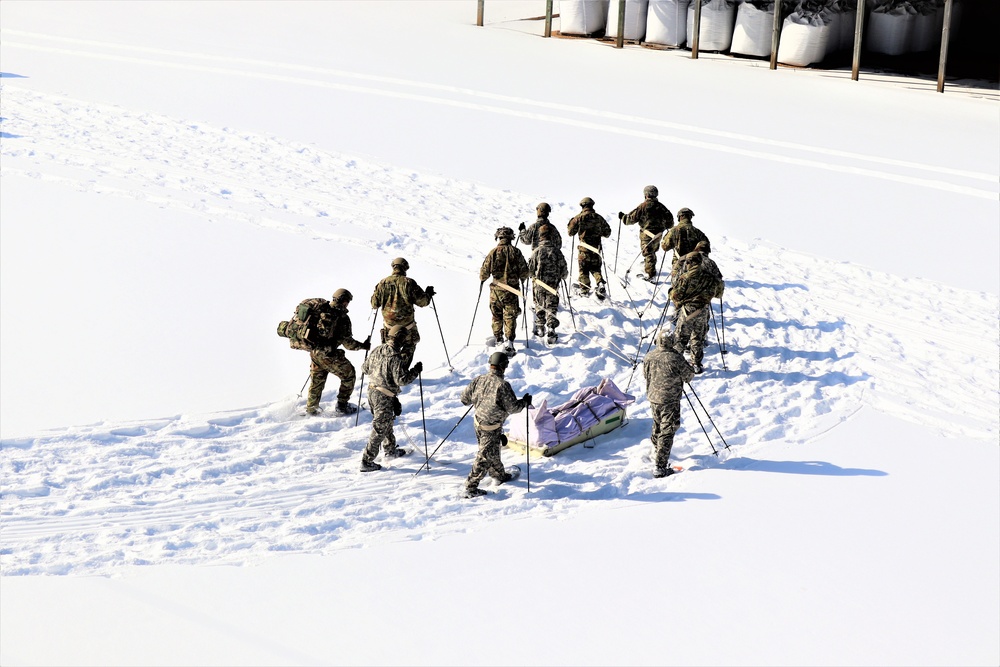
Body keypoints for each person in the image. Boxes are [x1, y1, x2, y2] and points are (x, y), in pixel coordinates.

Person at [460, 351, 531, 498]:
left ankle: (499, 475)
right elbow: (513, 408)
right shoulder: (502, 385)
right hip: (490, 427)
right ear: (504, 366)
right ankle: (470, 487)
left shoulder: (479, 379)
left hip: (478, 423)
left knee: (491, 451)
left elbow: (464, 399)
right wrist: (524, 402)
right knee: (484, 457)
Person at [359, 325, 423, 472]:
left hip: (373, 392)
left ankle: (390, 450)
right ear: (400, 338)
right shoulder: (395, 357)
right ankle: (366, 461)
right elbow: (402, 380)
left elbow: (364, 369)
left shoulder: (377, 349)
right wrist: (415, 371)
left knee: (386, 422)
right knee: (379, 428)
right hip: (383, 395)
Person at [306, 289, 371, 416]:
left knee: (317, 380)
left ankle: (311, 409)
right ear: (345, 302)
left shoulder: (321, 311)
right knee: (349, 375)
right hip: (329, 355)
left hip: (314, 353)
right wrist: (363, 346)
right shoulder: (342, 317)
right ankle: (342, 405)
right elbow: (348, 343)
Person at [642, 330, 695, 478]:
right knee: (668, 430)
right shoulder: (675, 358)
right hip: (669, 399)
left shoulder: (649, 356)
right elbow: (689, 376)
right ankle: (660, 466)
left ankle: (656, 450)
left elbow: (646, 375)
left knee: (658, 424)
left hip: (653, 397)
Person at [669, 241, 724, 373]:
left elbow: (675, 296)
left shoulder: (685, 277)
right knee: (697, 338)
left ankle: (676, 364)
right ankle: (696, 363)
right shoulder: (710, 278)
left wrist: (671, 292)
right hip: (703, 310)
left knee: (681, 338)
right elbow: (718, 293)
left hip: (687, 311)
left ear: (690, 262)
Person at [370, 257, 433, 368]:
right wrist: (428, 294)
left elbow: (374, 304)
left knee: (389, 349)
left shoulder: (383, 283)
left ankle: (387, 371)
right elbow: (423, 302)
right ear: (405, 268)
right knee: (410, 345)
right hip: (407, 327)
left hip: (388, 326)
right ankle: (401, 372)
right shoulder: (409, 283)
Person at [479, 226, 529, 356]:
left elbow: (483, 273)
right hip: (511, 292)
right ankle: (509, 341)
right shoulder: (516, 252)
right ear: (511, 238)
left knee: (496, 316)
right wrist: (521, 279)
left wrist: (483, 279)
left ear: (499, 237)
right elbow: (524, 272)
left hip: (495, 292)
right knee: (510, 317)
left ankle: (498, 338)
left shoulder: (493, 252)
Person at [620, 185, 673, 282]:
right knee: (652, 251)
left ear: (646, 195)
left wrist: (623, 217)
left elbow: (630, 219)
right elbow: (670, 223)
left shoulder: (642, 206)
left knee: (648, 253)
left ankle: (650, 274)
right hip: (658, 235)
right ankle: (648, 266)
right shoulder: (662, 207)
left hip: (646, 234)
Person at [528, 223, 569, 344]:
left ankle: (540, 327)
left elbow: (530, 270)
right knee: (551, 307)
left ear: (540, 236)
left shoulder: (536, 251)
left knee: (539, 305)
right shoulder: (557, 252)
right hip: (553, 286)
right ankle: (551, 328)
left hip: (539, 285)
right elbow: (564, 271)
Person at [567, 196, 611, 299]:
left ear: (582, 206)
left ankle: (584, 289)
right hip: (596, 250)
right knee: (596, 269)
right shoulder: (599, 218)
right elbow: (607, 232)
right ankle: (600, 283)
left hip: (584, 250)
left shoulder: (578, 218)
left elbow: (570, 232)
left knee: (584, 270)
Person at [661, 207, 710, 282]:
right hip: (694, 266)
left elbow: (665, 247)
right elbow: (706, 247)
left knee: (677, 286)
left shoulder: (674, 230)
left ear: (679, 217)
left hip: (678, 264)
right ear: (690, 217)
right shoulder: (698, 232)